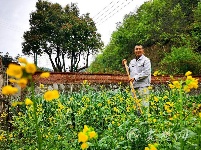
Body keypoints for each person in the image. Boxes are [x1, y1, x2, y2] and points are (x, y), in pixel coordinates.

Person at [122, 45, 151, 113]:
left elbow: (146, 72)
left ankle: (145, 121)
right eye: (136, 49)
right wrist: (125, 65)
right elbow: (129, 72)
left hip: (143, 87)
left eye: (140, 49)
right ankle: (137, 122)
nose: (138, 50)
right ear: (134, 51)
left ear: (143, 50)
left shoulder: (146, 60)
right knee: (135, 107)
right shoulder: (132, 61)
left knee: (144, 106)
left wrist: (135, 78)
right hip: (134, 87)